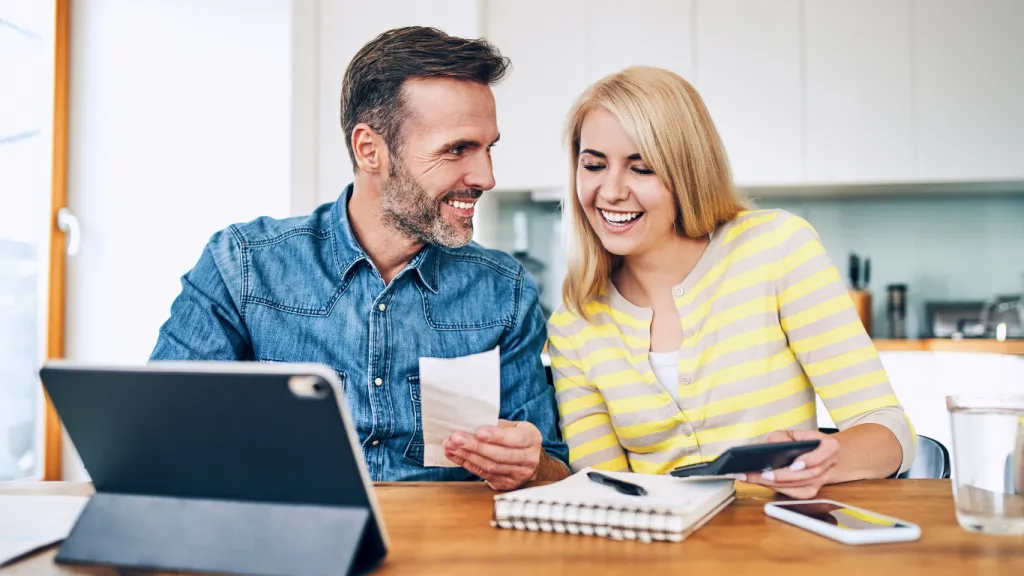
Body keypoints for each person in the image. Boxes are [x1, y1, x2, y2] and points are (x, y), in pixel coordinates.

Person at [151, 27, 570, 490]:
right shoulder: (243, 266)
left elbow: (550, 468)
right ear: (370, 150)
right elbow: (155, 440)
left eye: (487, 148)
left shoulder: (503, 290)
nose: (486, 177)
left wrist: (530, 467)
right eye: (456, 149)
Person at [547, 66, 915, 499]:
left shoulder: (777, 248)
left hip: (781, 544)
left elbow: (891, 433)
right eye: (593, 165)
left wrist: (826, 457)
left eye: (641, 168)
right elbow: (604, 489)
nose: (610, 191)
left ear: (687, 171)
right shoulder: (575, 322)